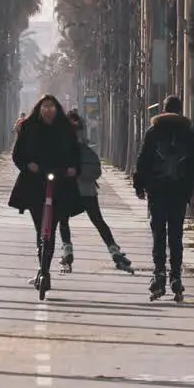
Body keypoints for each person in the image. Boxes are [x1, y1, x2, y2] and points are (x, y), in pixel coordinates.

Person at [133, 95, 194, 300]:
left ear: (164, 110)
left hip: (157, 192)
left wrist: (139, 186)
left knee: (159, 233)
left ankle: (158, 274)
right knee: (176, 235)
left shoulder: (153, 131)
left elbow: (142, 160)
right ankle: (176, 277)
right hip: (180, 191)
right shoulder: (188, 133)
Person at [8, 95, 80, 292]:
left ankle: (44, 271)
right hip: (34, 185)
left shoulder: (66, 129)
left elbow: (76, 154)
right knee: (41, 229)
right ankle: (42, 268)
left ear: (57, 109)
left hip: (60, 183)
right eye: (44, 106)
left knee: (52, 229)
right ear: (39, 109)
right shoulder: (28, 127)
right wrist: (28, 165)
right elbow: (17, 155)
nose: (48, 110)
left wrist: (73, 168)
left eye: (51, 106)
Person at [58, 109, 132, 273]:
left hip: (72, 190)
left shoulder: (63, 139)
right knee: (97, 221)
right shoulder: (81, 142)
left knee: (65, 219)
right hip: (85, 190)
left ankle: (68, 251)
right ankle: (114, 251)